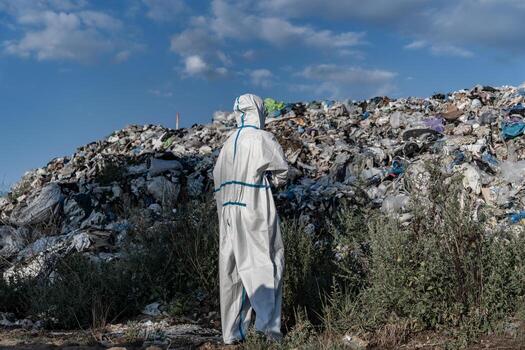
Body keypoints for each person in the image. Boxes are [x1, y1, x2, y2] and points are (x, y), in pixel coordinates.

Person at [213, 93, 288, 344]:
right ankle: (268, 331)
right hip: (254, 207)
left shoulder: (227, 144)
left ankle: (233, 333)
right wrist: (273, 181)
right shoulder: (261, 138)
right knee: (266, 265)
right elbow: (282, 172)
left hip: (227, 213)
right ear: (259, 111)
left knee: (232, 271)